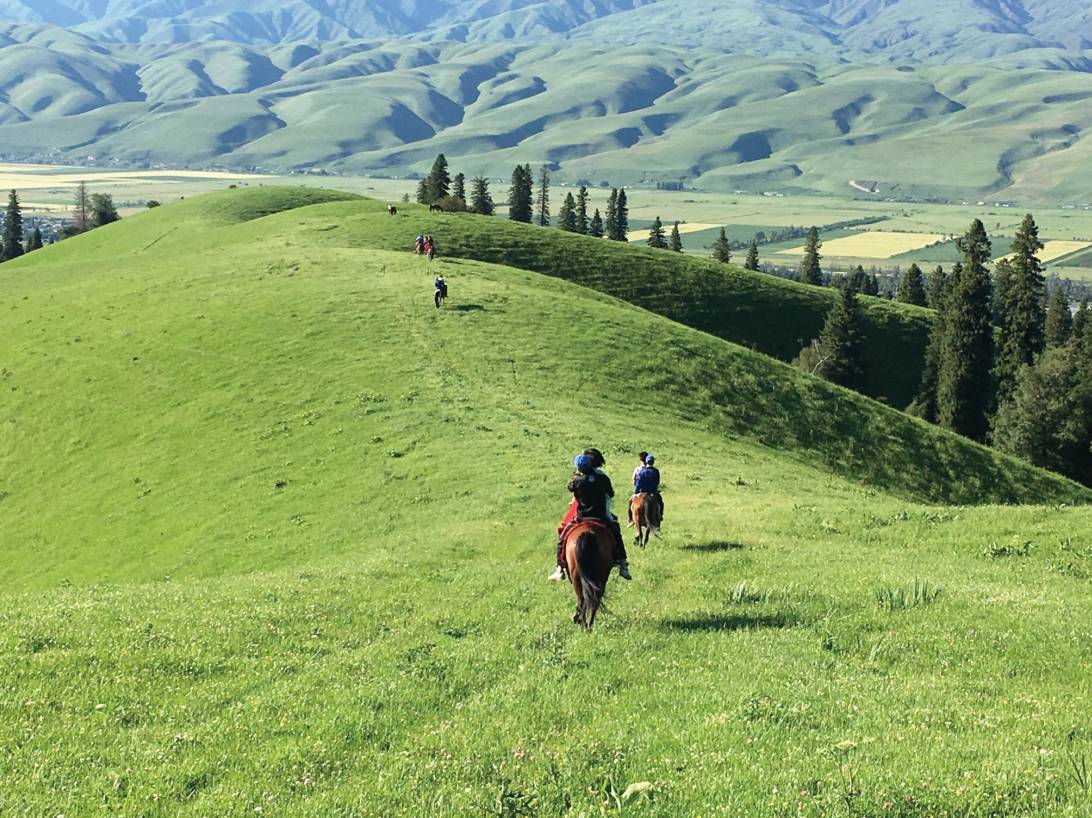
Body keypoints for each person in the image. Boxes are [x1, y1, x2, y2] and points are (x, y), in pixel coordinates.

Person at [549, 449, 631, 581]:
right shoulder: (602, 478)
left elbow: (570, 488)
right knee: (616, 531)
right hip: (600, 516)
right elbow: (611, 494)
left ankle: (560, 567)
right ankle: (622, 563)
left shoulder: (576, 481)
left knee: (563, 536)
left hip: (582, 517)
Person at [632, 454, 664, 522]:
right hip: (653, 492)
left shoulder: (642, 471)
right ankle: (660, 515)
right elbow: (657, 482)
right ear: (653, 462)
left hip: (642, 492)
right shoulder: (656, 471)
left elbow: (638, 483)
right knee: (660, 502)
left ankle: (631, 518)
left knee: (631, 502)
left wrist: (636, 492)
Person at [627, 451, 648, 526]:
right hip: (648, 491)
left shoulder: (637, 469)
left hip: (638, 491)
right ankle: (658, 517)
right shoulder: (649, 469)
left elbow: (633, 481)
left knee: (630, 501)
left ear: (640, 460)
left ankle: (630, 519)